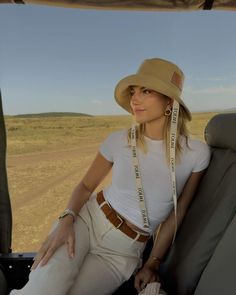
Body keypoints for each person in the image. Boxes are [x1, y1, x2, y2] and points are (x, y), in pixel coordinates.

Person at [10, 58, 211, 295]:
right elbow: (86, 186)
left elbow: (177, 214)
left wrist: (152, 262)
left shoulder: (196, 154)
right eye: (134, 92)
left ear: (169, 101)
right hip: (87, 222)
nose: (135, 99)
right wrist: (67, 219)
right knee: (41, 291)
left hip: (123, 253)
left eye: (145, 91)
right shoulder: (118, 140)